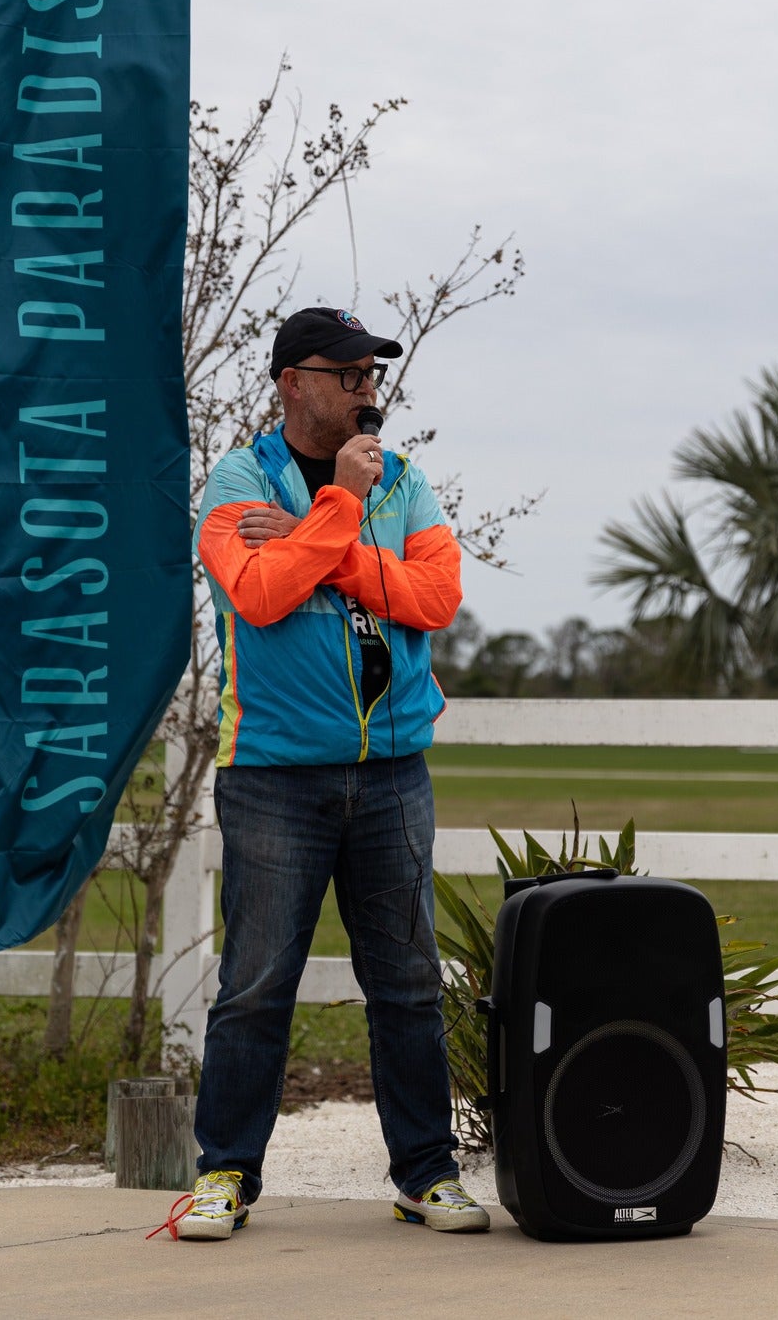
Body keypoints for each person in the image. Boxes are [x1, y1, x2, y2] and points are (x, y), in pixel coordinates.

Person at [175, 307, 488, 1240]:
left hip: (393, 773)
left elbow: (436, 599)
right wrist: (345, 513)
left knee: (407, 982)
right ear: (291, 382)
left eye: (370, 373)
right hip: (276, 776)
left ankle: (425, 1174)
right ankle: (224, 1172)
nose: (365, 389)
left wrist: (323, 541)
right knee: (256, 981)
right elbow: (259, 596)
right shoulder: (238, 480)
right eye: (345, 373)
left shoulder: (407, 480)